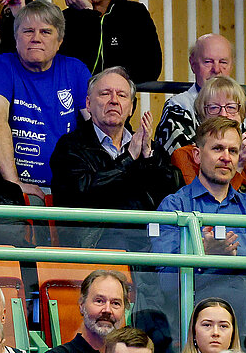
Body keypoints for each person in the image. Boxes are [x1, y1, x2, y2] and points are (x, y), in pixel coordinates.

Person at [151, 116, 246, 330]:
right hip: (201, 299)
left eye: (233, 151)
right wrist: (205, 252)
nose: (226, 158)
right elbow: (166, 283)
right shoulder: (173, 206)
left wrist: (227, 255)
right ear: (197, 155)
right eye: (217, 149)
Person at [48, 65, 178, 247]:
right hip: (95, 242)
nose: (114, 101)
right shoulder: (70, 147)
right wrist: (128, 159)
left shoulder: (148, 146)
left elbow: (172, 195)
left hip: (148, 239)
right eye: (105, 94)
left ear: (131, 107)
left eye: (122, 95)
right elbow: (80, 195)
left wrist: (148, 156)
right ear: (88, 104)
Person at [153, 33, 246, 167]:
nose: (216, 70)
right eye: (208, 62)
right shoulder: (178, 109)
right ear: (193, 63)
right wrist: (238, 162)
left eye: (223, 62)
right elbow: (184, 169)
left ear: (231, 65)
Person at [167, 77, 246, 213]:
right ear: (201, 116)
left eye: (231, 107)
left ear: (241, 115)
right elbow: (206, 207)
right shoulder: (187, 154)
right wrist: (239, 166)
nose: (223, 114)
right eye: (214, 108)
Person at [59, 0, 162, 81]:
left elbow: (150, 70)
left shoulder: (134, 14)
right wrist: (87, 16)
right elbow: (70, 70)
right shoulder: (65, 18)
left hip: (118, 99)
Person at [40, 270, 131, 353]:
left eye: (116, 303)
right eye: (99, 301)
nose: (107, 310)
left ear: (124, 310)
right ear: (82, 305)